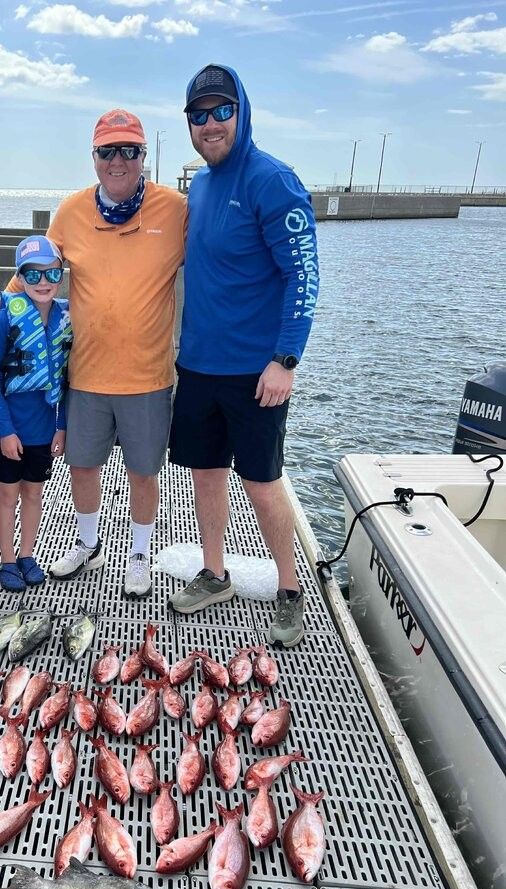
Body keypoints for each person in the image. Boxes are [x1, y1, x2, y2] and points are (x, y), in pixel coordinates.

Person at [0, 110, 186, 598]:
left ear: (144, 156)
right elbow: (35, 272)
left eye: (129, 150)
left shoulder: (177, 209)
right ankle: (89, 544)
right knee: (82, 465)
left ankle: (139, 553)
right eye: (107, 151)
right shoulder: (71, 212)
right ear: (94, 157)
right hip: (86, 374)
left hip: (148, 375)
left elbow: (221, 261)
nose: (118, 160)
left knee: (143, 471)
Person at [168, 63, 319, 648]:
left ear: (241, 112)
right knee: (205, 476)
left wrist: (286, 358)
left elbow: (304, 275)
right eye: (199, 115)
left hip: (257, 373)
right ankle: (215, 572)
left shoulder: (272, 180)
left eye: (221, 111)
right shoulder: (200, 187)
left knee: (261, 482)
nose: (210, 124)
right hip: (198, 367)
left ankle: (288, 590)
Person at [0, 235, 71, 591]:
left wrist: (61, 427)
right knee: (6, 494)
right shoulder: (7, 318)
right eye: (32, 275)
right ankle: (6, 559)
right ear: (19, 277)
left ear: (61, 274)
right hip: (9, 431)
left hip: (43, 431)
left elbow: (67, 379)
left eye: (51, 274)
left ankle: (27, 554)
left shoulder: (68, 319)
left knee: (33, 494)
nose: (43, 282)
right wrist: (4, 430)